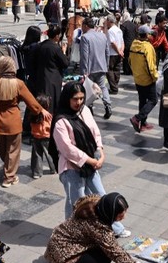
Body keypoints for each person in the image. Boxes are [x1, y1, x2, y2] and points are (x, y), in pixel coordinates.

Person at [44, 193, 167, 263]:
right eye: (120, 215)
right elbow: (119, 255)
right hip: (61, 257)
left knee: (105, 248)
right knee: (105, 257)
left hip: (55, 244)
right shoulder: (99, 228)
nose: (124, 217)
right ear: (110, 214)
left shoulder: (93, 201)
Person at [49, 82, 129, 237]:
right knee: (78, 203)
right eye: (75, 99)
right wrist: (90, 160)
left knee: (100, 195)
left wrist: (100, 152)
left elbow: (95, 133)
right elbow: (67, 149)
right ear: (67, 99)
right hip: (71, 168)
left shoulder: (85, 110)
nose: (78, 102)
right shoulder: (61, 120)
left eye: (81, 98)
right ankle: (74, 233)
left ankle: (116, 228)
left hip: (90, 164)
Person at [0, 56, 49, 187]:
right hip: (12, 119)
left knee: (3, 148)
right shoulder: (18, 83)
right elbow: (31, 101)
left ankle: (8, 169)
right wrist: (41, 109)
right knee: (13, 149)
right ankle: (9, 177)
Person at [79, 17, 112, 120]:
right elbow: (107, 52)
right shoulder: (103, 36)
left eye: (82, 26)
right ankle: (107, 105)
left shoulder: (85, 37)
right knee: (103, 87)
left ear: (86, 26)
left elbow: (85, 55)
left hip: (90, 68)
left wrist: (84, 72)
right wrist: (106, 65)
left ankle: (89, 107)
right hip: (102, 66)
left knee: (89, 89)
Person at [32, 25, 69, 115]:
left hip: (41, 76)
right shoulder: (55, 48)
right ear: (56, 36)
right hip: (53, 78)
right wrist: (64, 52)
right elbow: (65, 64)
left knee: (43, 100)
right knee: (53, 100)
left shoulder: (41, 46)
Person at [128, 25, 158, 133]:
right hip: (147, 79)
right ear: (146, 35)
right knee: (153, 100)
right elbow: (151, 65)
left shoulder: (133, 44)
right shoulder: (147, 47)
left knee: (142, 100)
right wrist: (155, 77)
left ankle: (142, 122)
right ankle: (138, 118)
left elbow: (129, 62)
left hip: (137, 78)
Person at [30, 94, 56, 179]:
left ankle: (36, 173)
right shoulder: (48, 115)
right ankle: (54, 168)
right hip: (47, 137)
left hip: (36, 137)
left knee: (37, 155)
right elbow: (51, 126)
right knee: (50, 154)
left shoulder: (33, 115)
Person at [104, 15, 124, 93]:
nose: (106, 23)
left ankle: (114, 87)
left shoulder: (110, 31)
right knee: (116, 69)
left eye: (106, 21)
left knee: (109, 70)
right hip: (118, 52)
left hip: (112, 53)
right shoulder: (119, 30)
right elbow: (122, 42)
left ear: (109, 21)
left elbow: (113, 43)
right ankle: (115, 84)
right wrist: (121, 51)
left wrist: (118, 51)